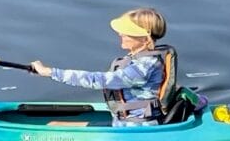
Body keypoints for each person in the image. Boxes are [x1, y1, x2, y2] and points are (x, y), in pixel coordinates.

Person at [31, 9, 184, 124]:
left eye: (126, 32)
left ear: (144, 38)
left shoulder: (144, 66)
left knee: (56, 126)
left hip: (137, 128)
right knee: (56, 125)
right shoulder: (138, 57)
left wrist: (51, 72)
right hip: (123, 122)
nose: (120, 34)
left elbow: (100, 80)